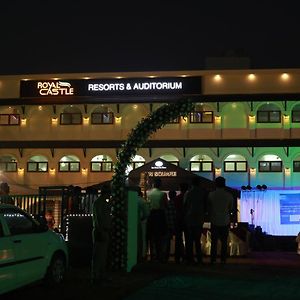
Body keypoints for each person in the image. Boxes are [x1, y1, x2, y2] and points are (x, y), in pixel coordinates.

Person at [207, 176, 234, 264]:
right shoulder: (229, 195)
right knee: (224, 242)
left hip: (214, 220)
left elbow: (208, 208)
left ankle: (213, 259)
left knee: (214, 242)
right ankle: (223, 259)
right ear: (224, 184)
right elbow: (231, 209)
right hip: (225, 221)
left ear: (215, 184)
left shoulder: (211, 195)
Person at [91, 183, 113, 284]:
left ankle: (99, 274)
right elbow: (98, 219)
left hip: (103, 230)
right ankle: (97, 275)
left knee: (101, 254)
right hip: (102, 230)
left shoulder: (101, 202)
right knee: (99, 254)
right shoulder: (100, 203)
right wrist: (101, 231)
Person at [184, 176, 207, 265]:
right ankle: (199, 258)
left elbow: (185, 205)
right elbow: (205, 206)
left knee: (189, 240)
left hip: (190, 218)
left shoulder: (188, 193)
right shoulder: (203, 192)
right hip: (199, 218)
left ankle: (190, 258)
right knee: (197, 240)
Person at [147, 177, 168, 262]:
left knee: (152, 236)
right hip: (160, 215)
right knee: (160, 237)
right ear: (160, 184)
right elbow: (165, 206)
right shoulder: (163, 194)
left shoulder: (149, 193)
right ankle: (159, 255)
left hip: (151, 215)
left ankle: (152, 255)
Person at [173, 182, 189, 263]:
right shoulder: (189, 198)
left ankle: (177, 257)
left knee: (178, 239)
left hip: (178, 219)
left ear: (180, 188)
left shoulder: (177, 198)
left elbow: (175, 208)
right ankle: (186, 256)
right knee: (188, 238)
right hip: (186, 219)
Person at [163, 190, 177, 262]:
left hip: (167, 225)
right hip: (175, 225)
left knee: (167, 242)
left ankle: (166, 257)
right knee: (178, 241)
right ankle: (177, 257)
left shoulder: (166, 204)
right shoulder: (176, 204)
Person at [137, 187, 150, 262]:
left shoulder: (129, 200)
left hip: (132, 223)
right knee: (142, 239)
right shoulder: (142, 201)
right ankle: (142, 255)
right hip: (142, 223)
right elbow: (147, 213)